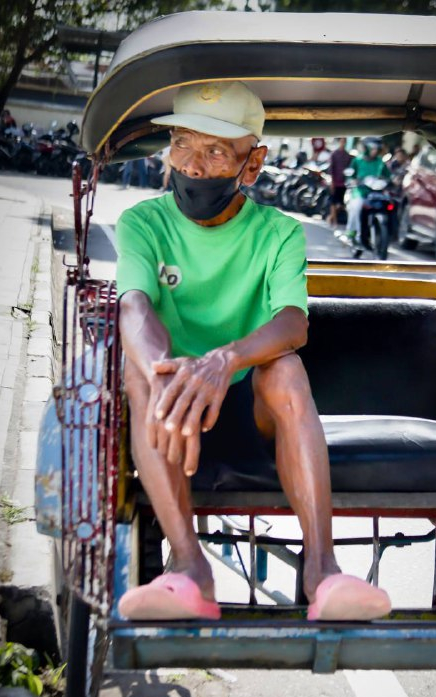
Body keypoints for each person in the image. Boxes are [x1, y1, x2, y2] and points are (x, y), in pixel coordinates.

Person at [115, 81, 391, 622]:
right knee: (140, 369)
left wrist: (224, 360)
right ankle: (191, 570)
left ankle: (321, 571)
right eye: (183, 145)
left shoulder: (278, 233)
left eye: (216, 151)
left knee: (285, 369)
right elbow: (134, 307)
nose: (194, 166)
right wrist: (165, 374)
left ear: (253, 162)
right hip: (168, 416)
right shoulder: (143, 223)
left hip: (250, 411)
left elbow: (292, 323)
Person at [345, 138, 390, 244]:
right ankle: (352, 231)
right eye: (373, 148)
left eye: (376, 149)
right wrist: (352, 181)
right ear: (367, 148)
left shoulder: (380, 162)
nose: (375, 151)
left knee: (388, 204)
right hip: (359, 191)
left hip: (375, 192)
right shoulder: (357, 160)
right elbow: (350, 175)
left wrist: (393, 180)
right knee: (356, 207)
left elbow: (388, 175)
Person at [327, 137, 352, 227]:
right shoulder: (334, 154)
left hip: (343, 183)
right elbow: (331, 169)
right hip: (335, 182)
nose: (343, 143)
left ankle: (331, 217)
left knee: (341, 204)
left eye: (344, 141)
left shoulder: (347, 155)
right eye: (341, 141)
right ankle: (335, 221)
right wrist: (332, 182)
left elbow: (349, 169)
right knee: (333, 202)